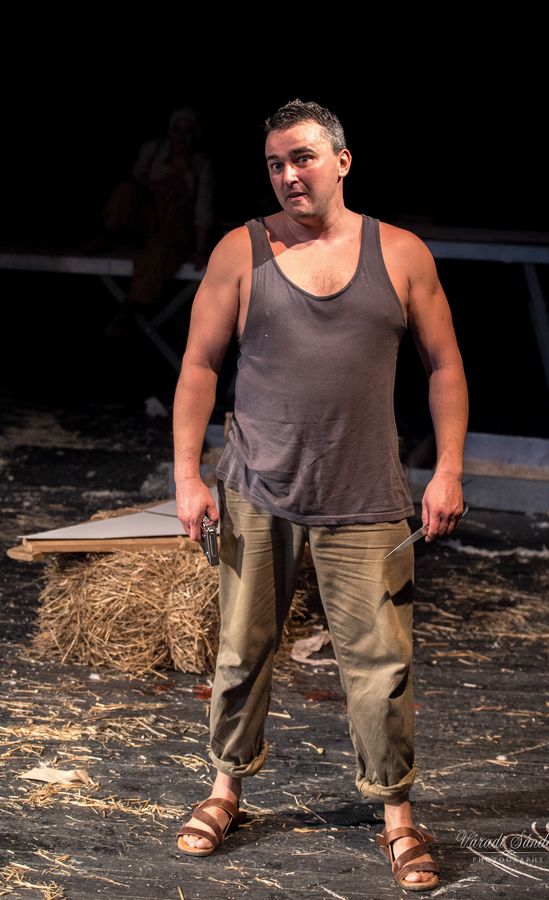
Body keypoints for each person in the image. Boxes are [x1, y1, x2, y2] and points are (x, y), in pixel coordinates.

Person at [172, 98, 468, 891]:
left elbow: (444, 365)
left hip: (364, 496)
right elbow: (198, 365)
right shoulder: (241, 251)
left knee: (380, 667)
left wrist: (447, 469)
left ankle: (396, 816)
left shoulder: (398, 253)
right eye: (275, 163)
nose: (288, 174)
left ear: (341, 160)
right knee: (240, 651)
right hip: (258, 487)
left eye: (302, 157)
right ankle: (225, 789)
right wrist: (188, 477)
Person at [96, 107, 215, 337]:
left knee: (159, 253)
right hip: (148, 220)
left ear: (195, 136)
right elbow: (134, 185)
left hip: (175, 228)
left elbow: (203, 209)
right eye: (178, 130)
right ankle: (106, 234)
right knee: (125, 192)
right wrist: (160, 185)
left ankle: (130, 308)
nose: (182, 137)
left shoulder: (201, 166)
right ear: (170, 131)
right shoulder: (154, 151)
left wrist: (200, 250)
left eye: (188, 132)